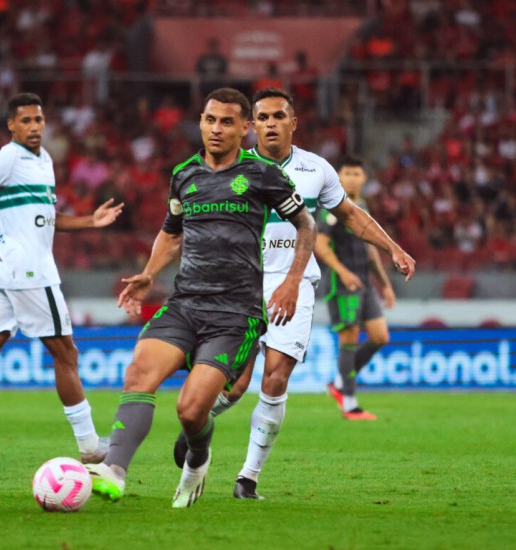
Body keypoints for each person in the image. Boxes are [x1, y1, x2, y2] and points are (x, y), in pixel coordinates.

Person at [174, 89, 415, 499]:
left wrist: (392, 246)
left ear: (292, 122)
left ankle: (247, 478)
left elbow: (351, 216)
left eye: (277, 116)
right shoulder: (236, 168)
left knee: (276, 377)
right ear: (252, 125)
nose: (270, 123)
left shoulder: (316, 169)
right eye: (262, 116)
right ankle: (197, 424)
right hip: (242, 284)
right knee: (234, 385)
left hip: (297, 281)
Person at [85, 87, 318, 508]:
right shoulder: (184, 174)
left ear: (245, 128)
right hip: (185, 302)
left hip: (236, 314)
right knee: (139, 371)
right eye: (210, 120)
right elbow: (171, 232)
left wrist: (292, 282)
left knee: (191, 411)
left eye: (227, 122)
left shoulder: (262, 174)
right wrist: (148, 274)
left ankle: (197, 458)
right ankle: (114, 470)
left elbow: (306, 225)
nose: (216, 129)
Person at [0, 92, 123, 468]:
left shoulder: (43, 160)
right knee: (66, 354)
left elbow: (48, 218)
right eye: (26, 121)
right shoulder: (6, 158)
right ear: (11, 125)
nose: (34, 127)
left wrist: (89, 221)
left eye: (39, 120)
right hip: (29, 271)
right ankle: (91, 445)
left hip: (6, 272)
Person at [316, 156, 396, 421]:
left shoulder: (361, 206)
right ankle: (349, 404)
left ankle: (339, 382)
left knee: (380, 336)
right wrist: (343, 272)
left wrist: (384, 284)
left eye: (356, 173)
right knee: (348, 339)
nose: (351, 177)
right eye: (347, 173)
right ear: (338, 177)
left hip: (364, 282)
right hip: (342, 283)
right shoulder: (331, 206)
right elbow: (320, 245)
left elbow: (370, 250)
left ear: (364, 179)